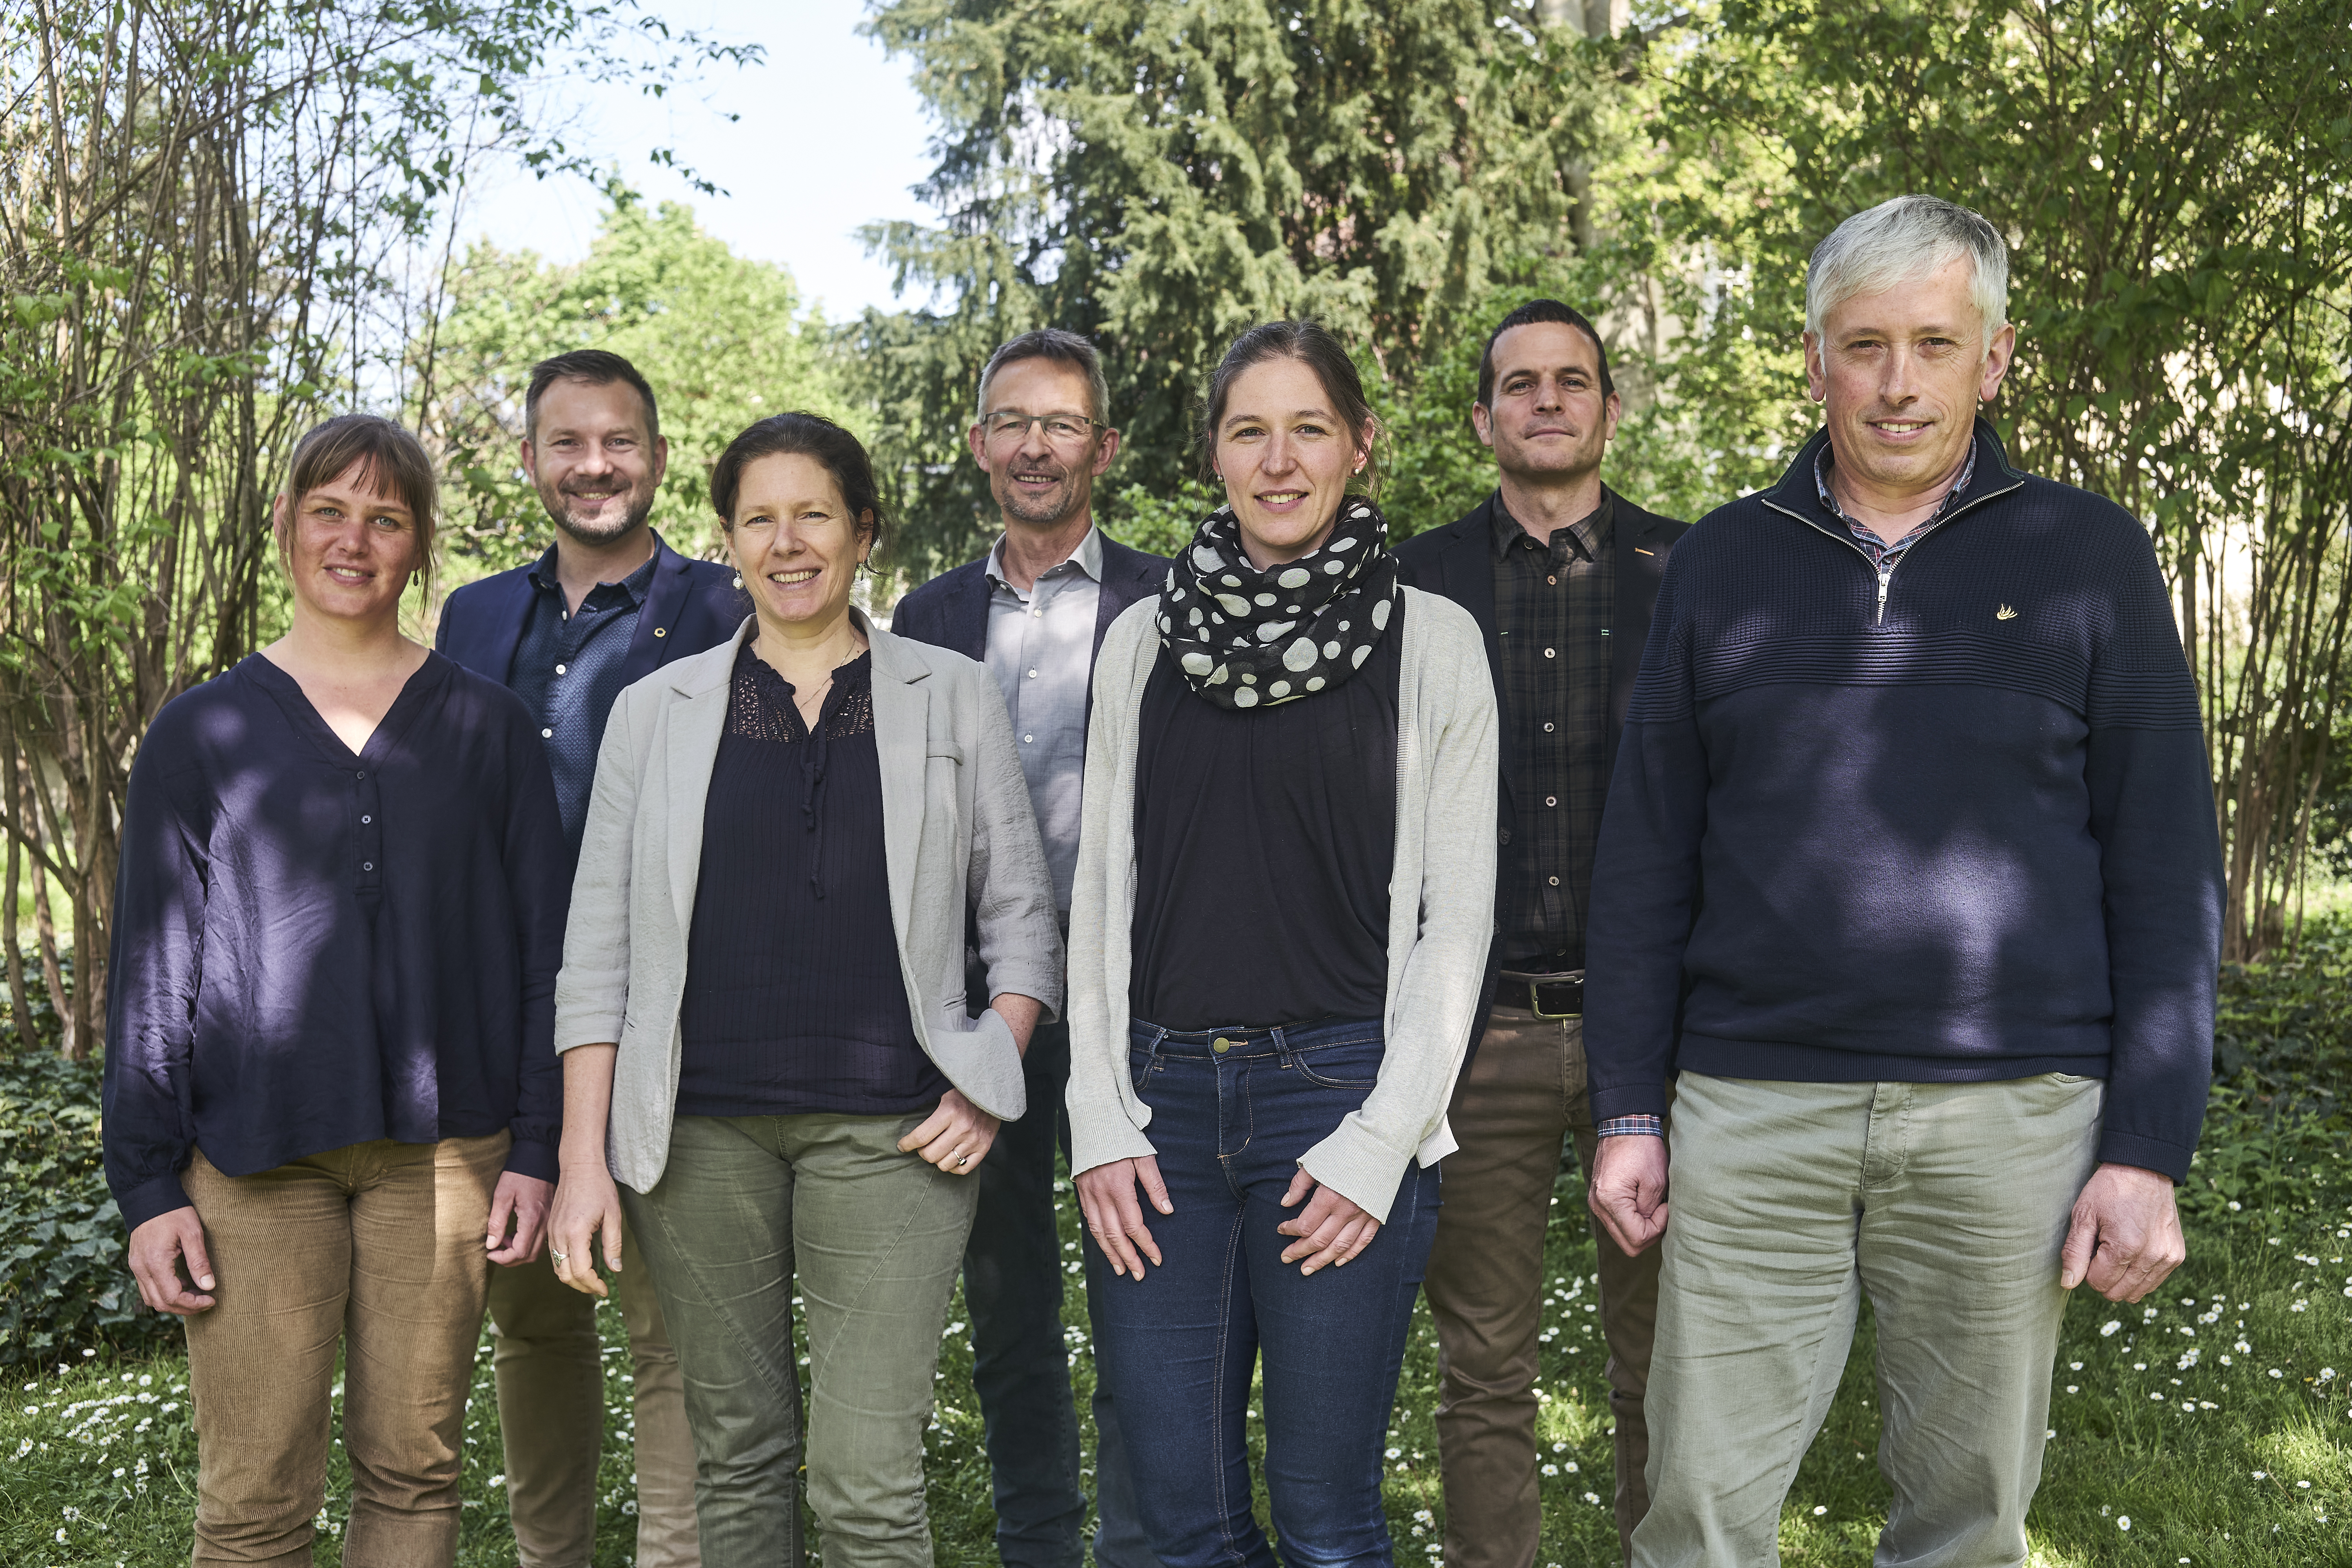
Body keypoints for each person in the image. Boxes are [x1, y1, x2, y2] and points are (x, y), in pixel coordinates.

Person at [1583, 194, 2224, 1566]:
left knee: (1966, 1523)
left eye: (1935, 344)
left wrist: (2146, 1147)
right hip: (1752, 1112)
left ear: (1993, 361)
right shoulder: (1719, 563)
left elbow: (2167, 868)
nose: (1897, 381)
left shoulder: (2089, 559)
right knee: (1695, 1513)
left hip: (2008, 1120)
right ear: (1814, 358)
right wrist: (1631, 1107)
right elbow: (1645, 861)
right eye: (1863, 344)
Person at [545, 411, 1063, 1568]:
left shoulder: (952, 694)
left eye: (814, 512)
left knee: (867, 1485)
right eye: (758, 518)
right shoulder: (654, 712)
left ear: (862, 531)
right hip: (696, 1140)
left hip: (898, 1137)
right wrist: (584, 1160)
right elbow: (599, 959)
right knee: (736, 1466)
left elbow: (1024, 924)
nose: (788, 541)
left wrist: (988, 1075)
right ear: (727, 539)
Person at [1067, 320, 1499, 1567]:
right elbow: (1101, 890)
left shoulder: (1435, 644)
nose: (1279, 459)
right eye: (1249, 430)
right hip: (1161, 1121)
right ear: (1213, 454)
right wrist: (1100, 1117)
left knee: (1325, 1523)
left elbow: (1453, 925)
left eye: (1308, 427)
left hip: (1341, 1099)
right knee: (1183, 1521)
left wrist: (1381, 1143)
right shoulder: (1143, 643)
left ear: (1360, 446)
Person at [104, 413, 568, 1567]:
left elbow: (543, 954)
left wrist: (539, 1147)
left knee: (416, 1475)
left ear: (418, 548)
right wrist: (150, 1182)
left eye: (385, 517)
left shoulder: (489, 729)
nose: (353, 540)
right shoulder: (201, 731)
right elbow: (153, 973)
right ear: (283, 526)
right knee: (254, 1499)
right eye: (329, 510)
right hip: (256, 1157)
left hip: (446, 1156)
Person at [436, 347, 743, 1568]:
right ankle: (547, 1554)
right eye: (567, 443)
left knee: (670, 1331)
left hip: (676, 1016)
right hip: (512, 1022)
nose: (595, 465)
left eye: (619, 441)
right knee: (533, 1319)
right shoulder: (471, 617)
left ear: (658, 458)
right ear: (530, 460)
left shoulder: (725, 605)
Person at [1393, 299, 1688, 1566]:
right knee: (1485, 1372)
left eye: (1574, 381)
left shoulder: (1693, 572)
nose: (1549, 401)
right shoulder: (1410, 583)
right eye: (1521, 384)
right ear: (1484, 418)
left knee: (1667, 1368)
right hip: (1479, 1031)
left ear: (1611, 409)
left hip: (1659, 1037)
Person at [889, 327, 1167, 1568]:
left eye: (1062, 424)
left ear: (1103, 446)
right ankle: (1040, 1541)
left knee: (1141, 1289)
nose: (1037, 446)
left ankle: (1146, 1534)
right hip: (980, 1005)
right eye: (1013, 421)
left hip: (1135, 999)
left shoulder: (1172, 596)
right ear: (978, 444)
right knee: (1007, 1299)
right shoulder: (924, 615)